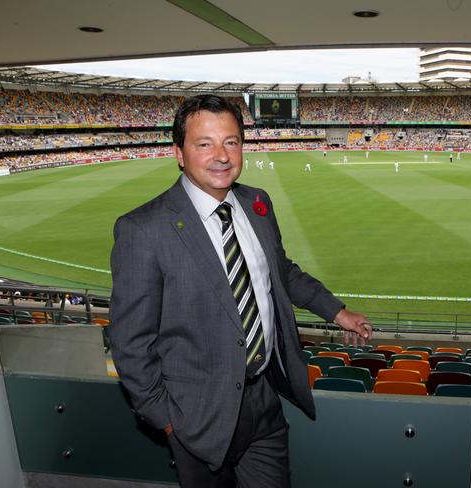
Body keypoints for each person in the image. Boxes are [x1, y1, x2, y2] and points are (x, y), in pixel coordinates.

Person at [108, 95, 371, 488]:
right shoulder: (143, 229)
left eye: (231, 142)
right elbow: (130, 343)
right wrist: (167, 422)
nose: (222, 155)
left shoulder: (257, 203)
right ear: (179, 153)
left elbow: (278, 271)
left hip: (263, 399)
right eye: (204, 143)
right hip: (195, 416)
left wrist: (335, 310)